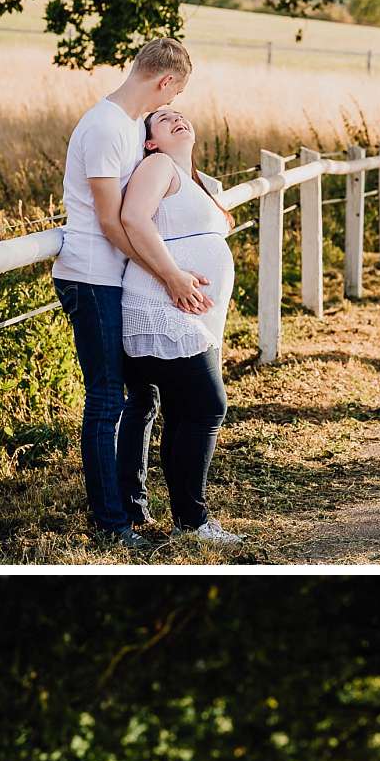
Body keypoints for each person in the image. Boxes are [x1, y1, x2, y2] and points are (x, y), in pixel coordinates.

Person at [51, 39, 214, 552]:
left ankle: (132, 504)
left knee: (142, 394)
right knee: (107, 401)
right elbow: (108, 219)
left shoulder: (124, 126)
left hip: (118, 277)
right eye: (177, 91)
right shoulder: (104, 127)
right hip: (92, 275)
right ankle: (111, 525)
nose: (173, 102)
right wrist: (167, 273)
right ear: (165, 82)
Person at [117, 107, 244, 547]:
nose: (177, 119)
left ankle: (187, 521)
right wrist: (173, 275)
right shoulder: (158, 165)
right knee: (209, 407)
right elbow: (133, 218)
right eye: (163, 119)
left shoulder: (195, 179)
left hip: (184, 311)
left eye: (181, 114)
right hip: (159, 306)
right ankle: (193, 521)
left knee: (185, 412)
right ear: (150, 141)